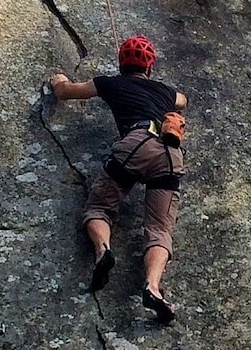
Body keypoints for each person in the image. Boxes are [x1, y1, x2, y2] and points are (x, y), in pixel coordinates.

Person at [48, 35, 189, 323]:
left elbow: (66, 92)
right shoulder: (164, 91)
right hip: (170, 152)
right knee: (160, 229)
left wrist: (57, 80)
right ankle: (152, 287)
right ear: (150, 67)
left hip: (136, 143)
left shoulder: (110, 83)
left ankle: (103, 251)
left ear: (121, 64)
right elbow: (182, 100)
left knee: (99, 208)